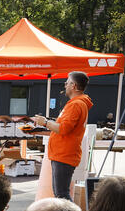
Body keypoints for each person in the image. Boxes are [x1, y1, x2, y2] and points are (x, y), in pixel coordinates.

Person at [32, 72, 91, 200]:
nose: (65, 85)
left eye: (67, 82)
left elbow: (63, 129)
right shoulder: (76, 103)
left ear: (73, 86)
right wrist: (42, 126)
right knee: (60, 194)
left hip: (64, 154)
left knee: (61, 195)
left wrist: (45, 122)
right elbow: (63, 127)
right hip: (62, 154)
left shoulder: (76, 104)